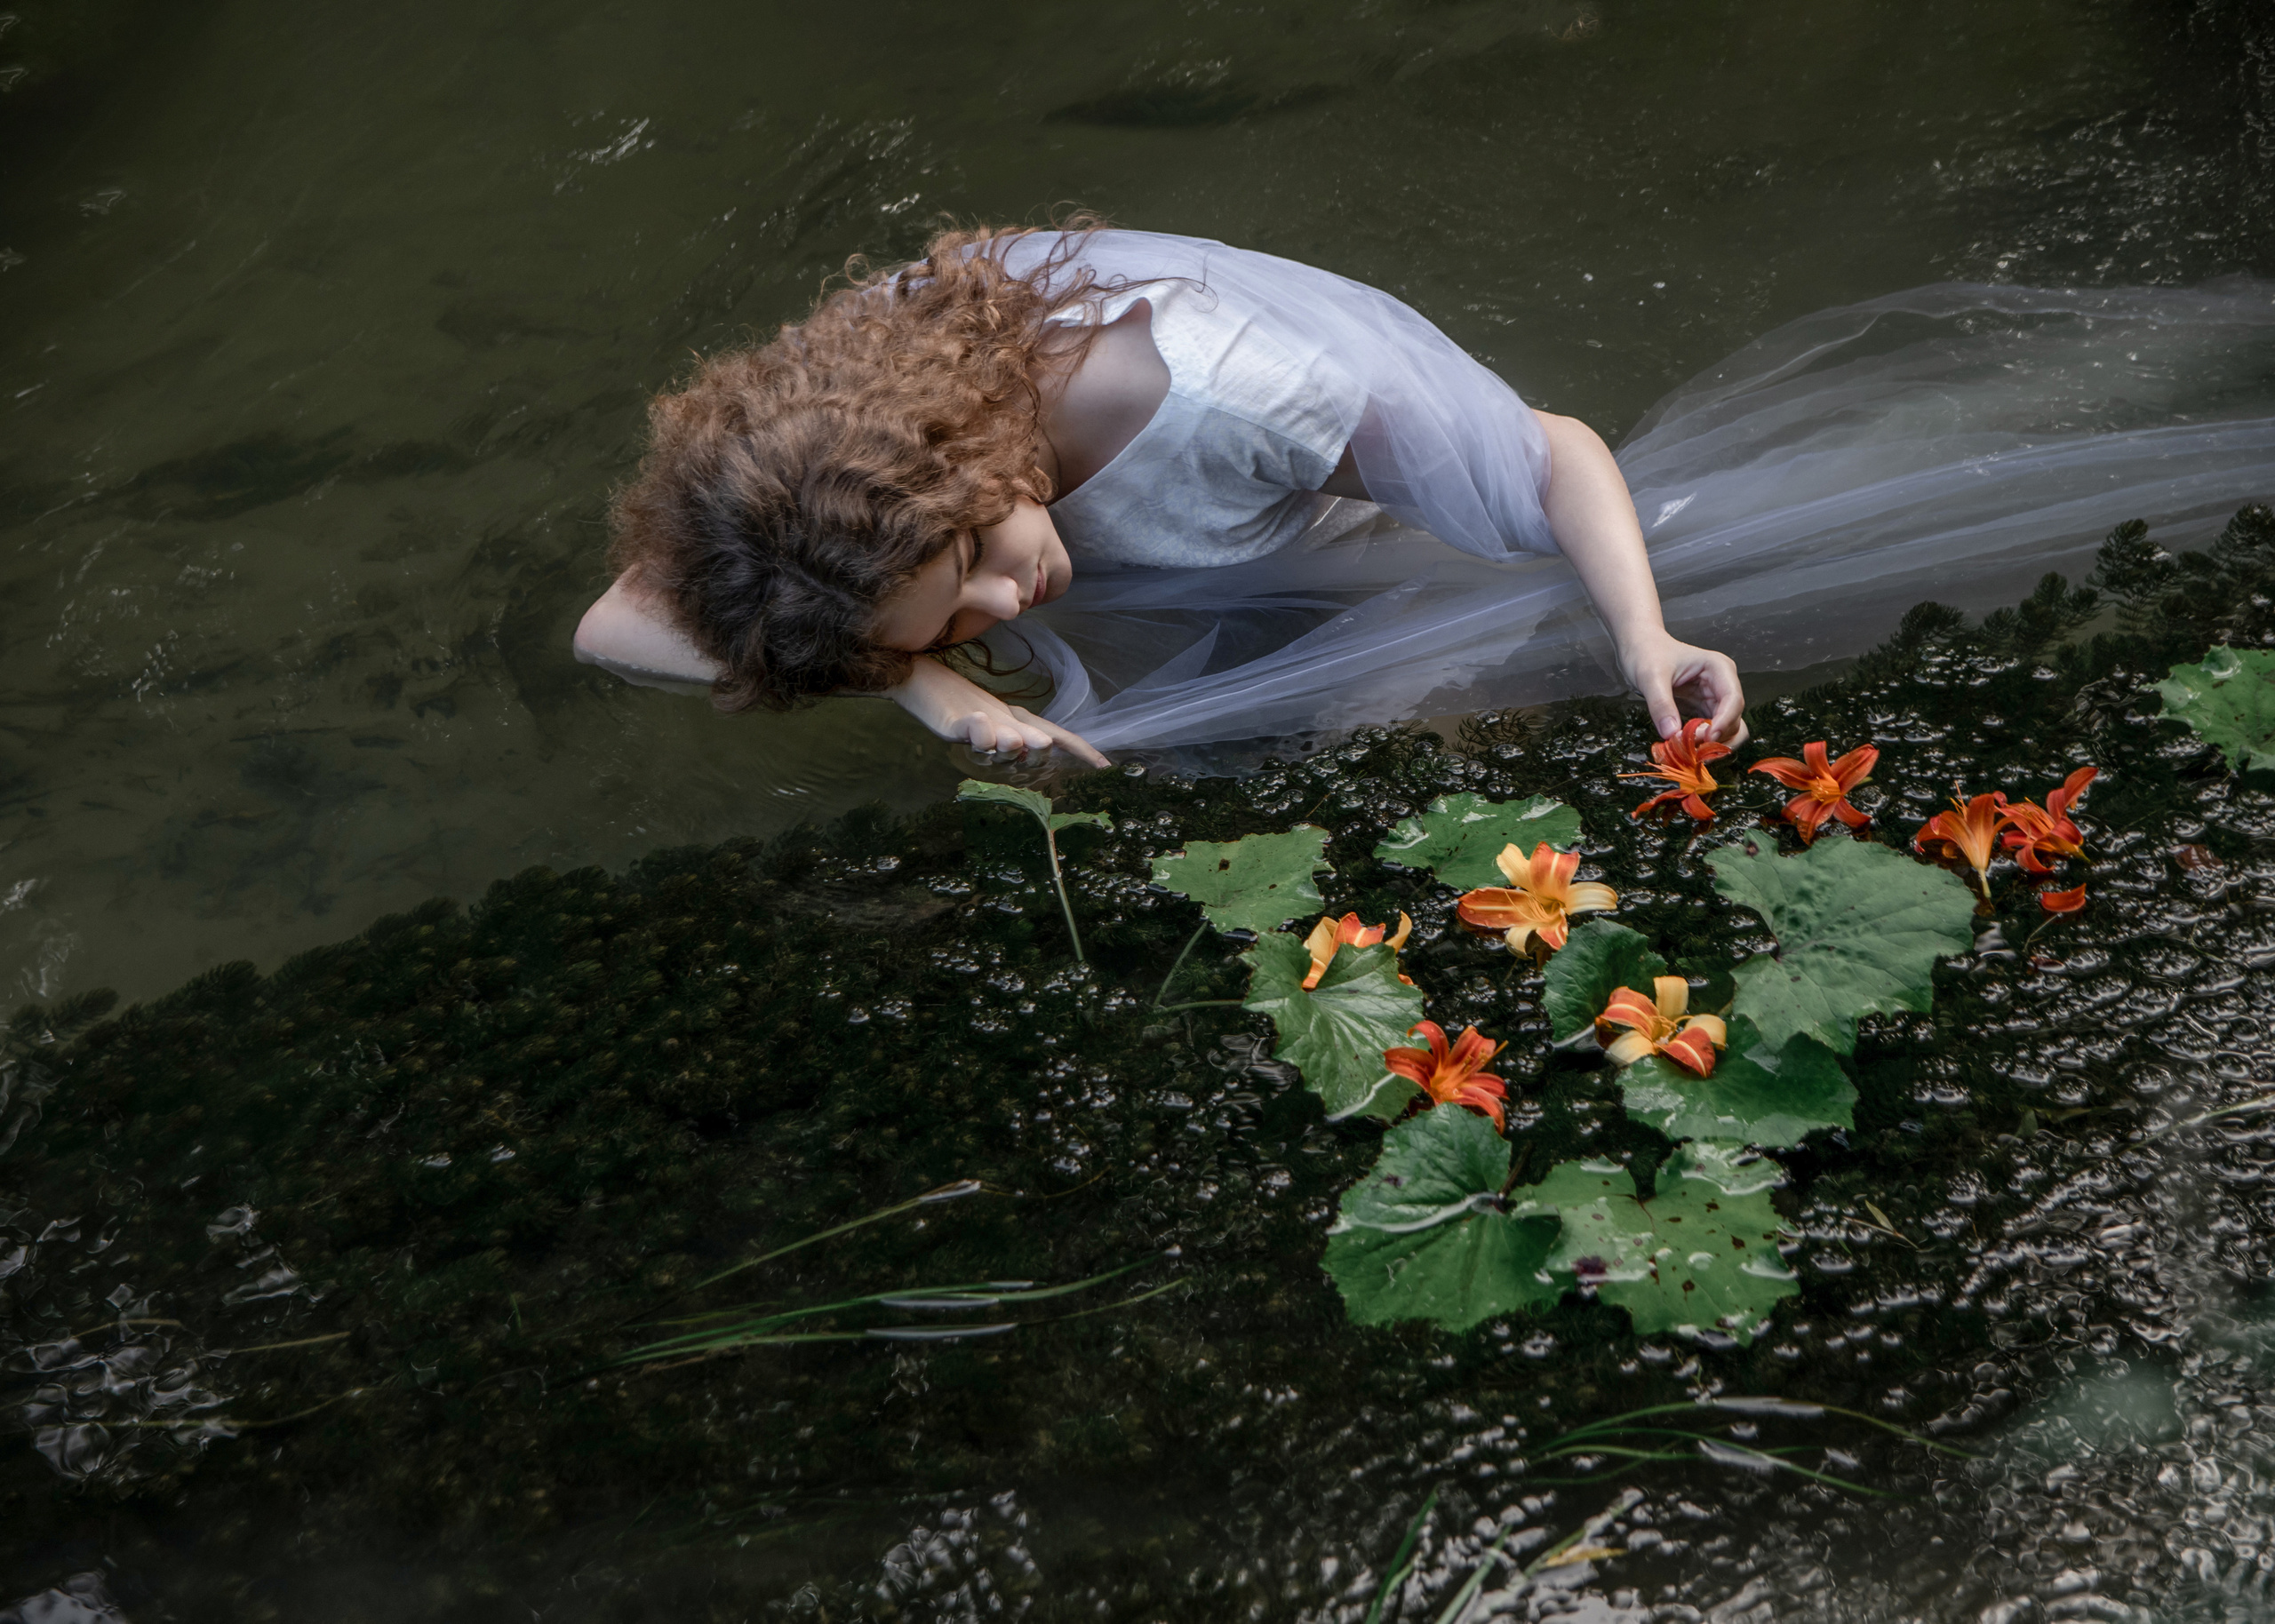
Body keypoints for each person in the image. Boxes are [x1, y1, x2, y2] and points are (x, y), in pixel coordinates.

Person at [575, 221, 1750, 767]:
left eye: (982, 541)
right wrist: (927, 690)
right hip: (1168, 594)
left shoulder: (1237, 398)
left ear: (969, 459)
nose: (1014, 591)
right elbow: (612, 626)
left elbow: (1551, 455)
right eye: (956, 617)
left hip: (1341, 563)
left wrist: (1643, 635)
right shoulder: (824, 485)